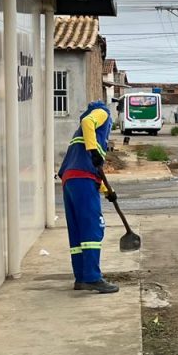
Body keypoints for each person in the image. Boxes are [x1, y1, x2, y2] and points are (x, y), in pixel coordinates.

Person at [57, 100, 118, 293]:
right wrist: (94, 151)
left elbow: (85, 169)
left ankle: (81, 277)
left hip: (71, 179)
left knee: (77, 230)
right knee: (93, 228)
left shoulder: (80, 133)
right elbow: (88, 124)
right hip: (82, 178)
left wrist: (108, 192)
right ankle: (92, 277)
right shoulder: (102, 113)